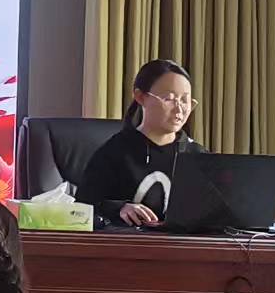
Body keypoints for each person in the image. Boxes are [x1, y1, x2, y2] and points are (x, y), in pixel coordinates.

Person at [74, 58, 202, 226]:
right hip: (126, 241)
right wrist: (119, 208)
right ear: (140, 97)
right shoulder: (115, 152)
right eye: (169, 99)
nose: (179, 109)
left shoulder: (198, 156)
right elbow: (80, 210)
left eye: (185, 100)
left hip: (184, 243)